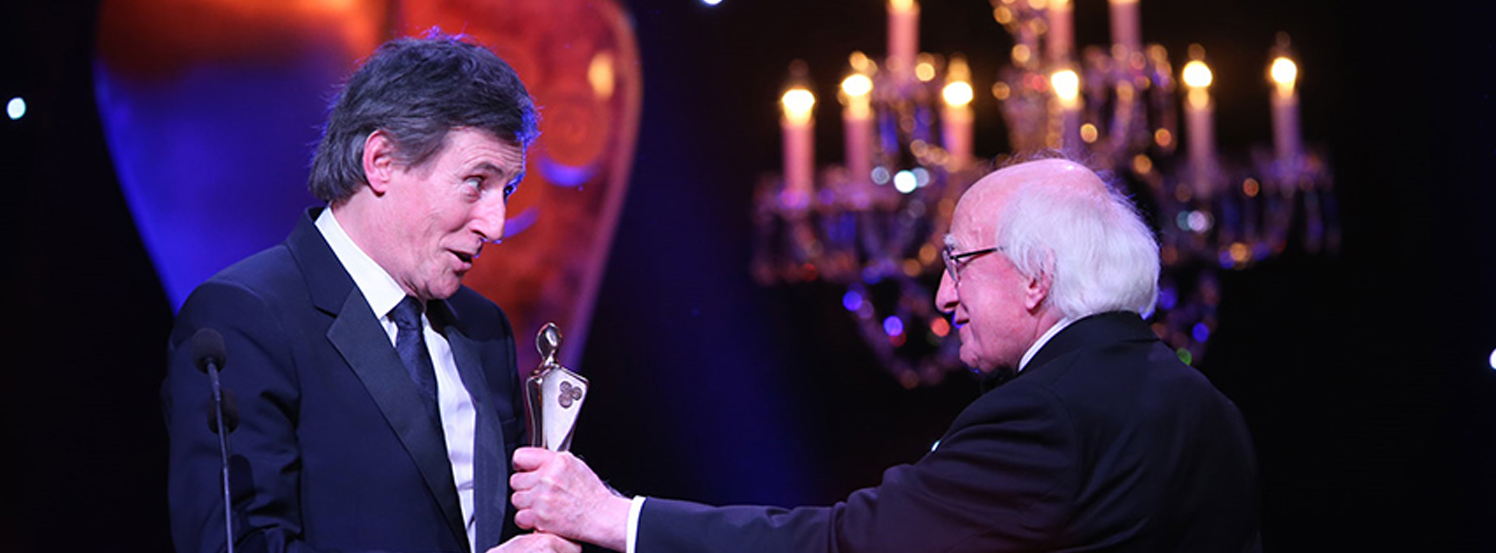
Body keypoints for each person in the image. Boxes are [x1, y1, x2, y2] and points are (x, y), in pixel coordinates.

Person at [508, 157, 1261, 552]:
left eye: (959, 261)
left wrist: (615, 517)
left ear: (1035, 279)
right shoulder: (1209, 407)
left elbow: (848, 545)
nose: (941, 296)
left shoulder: (1046, 411)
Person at [163, 33, 578, 553]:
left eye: (507, 191)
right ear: (382, 160)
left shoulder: (483, 329)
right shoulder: (244, 318)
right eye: (476, 182)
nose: (495, 225)